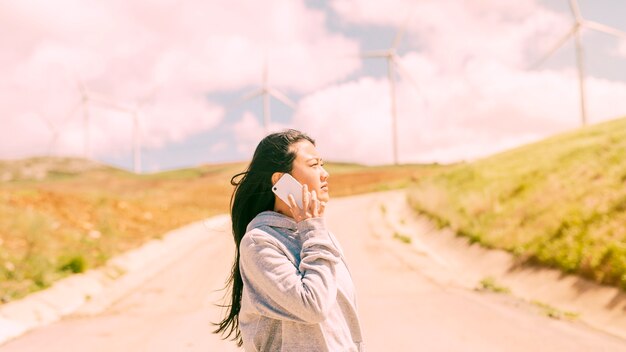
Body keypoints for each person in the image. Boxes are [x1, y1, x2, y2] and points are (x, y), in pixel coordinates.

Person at [214, 129, 364, 351]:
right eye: (314, 165)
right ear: (281, 180)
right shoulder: (260, 242)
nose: (325, 174)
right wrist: (313, 229)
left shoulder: (321, 236)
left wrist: (313, 230)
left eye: (322, 164)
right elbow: (313, 306)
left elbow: (345, 326)